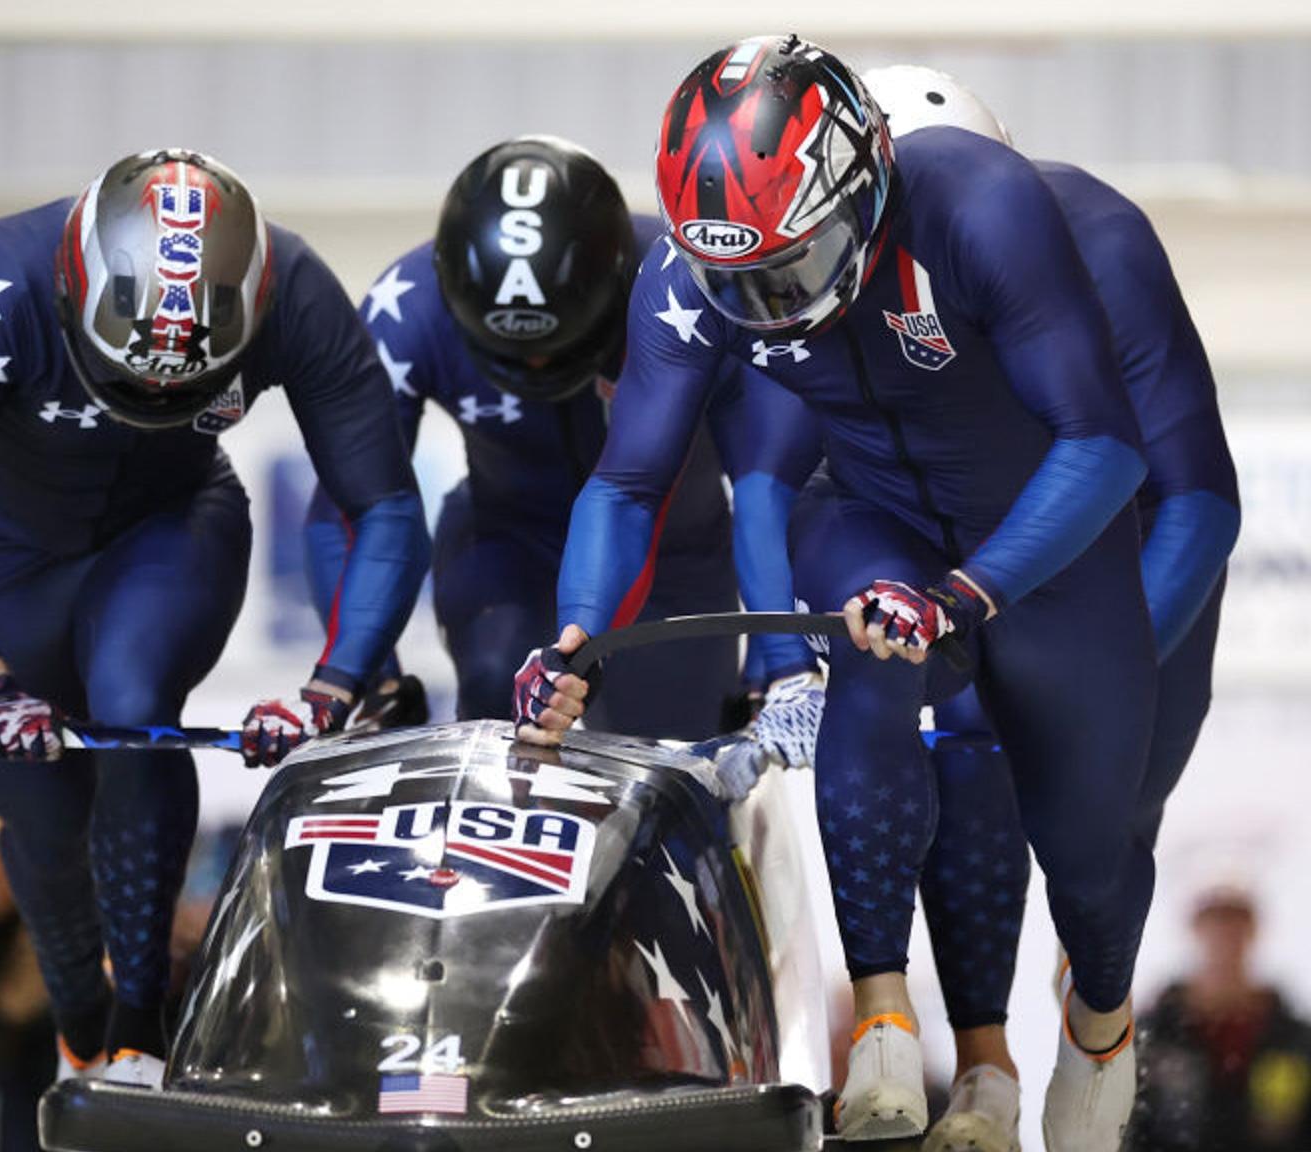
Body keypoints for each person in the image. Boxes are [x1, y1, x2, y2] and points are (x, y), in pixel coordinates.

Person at [515, 37, 1157, 1148]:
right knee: (870, 640)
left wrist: (967, 593)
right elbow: (626, 482)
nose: (765, 305)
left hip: (1040, 543)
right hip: (870, 513)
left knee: (1089, 857)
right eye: (737, 279)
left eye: (789, 267)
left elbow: (1101, 447)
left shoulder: (982, 206)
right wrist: (573, 639)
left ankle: (1100, 1024)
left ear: (863, 190)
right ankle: (881, 1018)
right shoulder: (686, 275)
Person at [0, 149, 429, 1086]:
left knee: (132, 701)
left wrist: (335, 685)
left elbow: (385, 506)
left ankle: (140, 1020)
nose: (155, 403)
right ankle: (82, 1017)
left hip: (170, 526)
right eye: (131, 380)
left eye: (186, 388)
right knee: (43, 821)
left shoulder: (295, 289)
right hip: (3, 556)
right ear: (76, 291)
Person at [843, 65, 1243, 1151]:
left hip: (1119, 557)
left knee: (1098, 818)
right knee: (960, 762)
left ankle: (1093, 1020)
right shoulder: (850, 271)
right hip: (983, 551)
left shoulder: (1094, 243)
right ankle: (981, 1066)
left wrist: (1065, 679)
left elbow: (1196, 503)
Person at [304, 135, 758, 739]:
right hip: (509, 548)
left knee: (680, 754)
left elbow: (771, 471)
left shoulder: (689, 282)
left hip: (676, 557)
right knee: (498, 698)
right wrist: (375, 678)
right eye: (515, 355)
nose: (538, 367)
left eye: (557, 349)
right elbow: (349, 508)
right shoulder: (409, 310)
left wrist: (784, 660)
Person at [1130, 882, 1311, 1152]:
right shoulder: (1147, 1041)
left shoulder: (1306, 1046)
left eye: (1236, 920)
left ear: (1253, 928)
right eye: (1215, 920)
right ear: (1195, 927)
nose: (1225, 936)